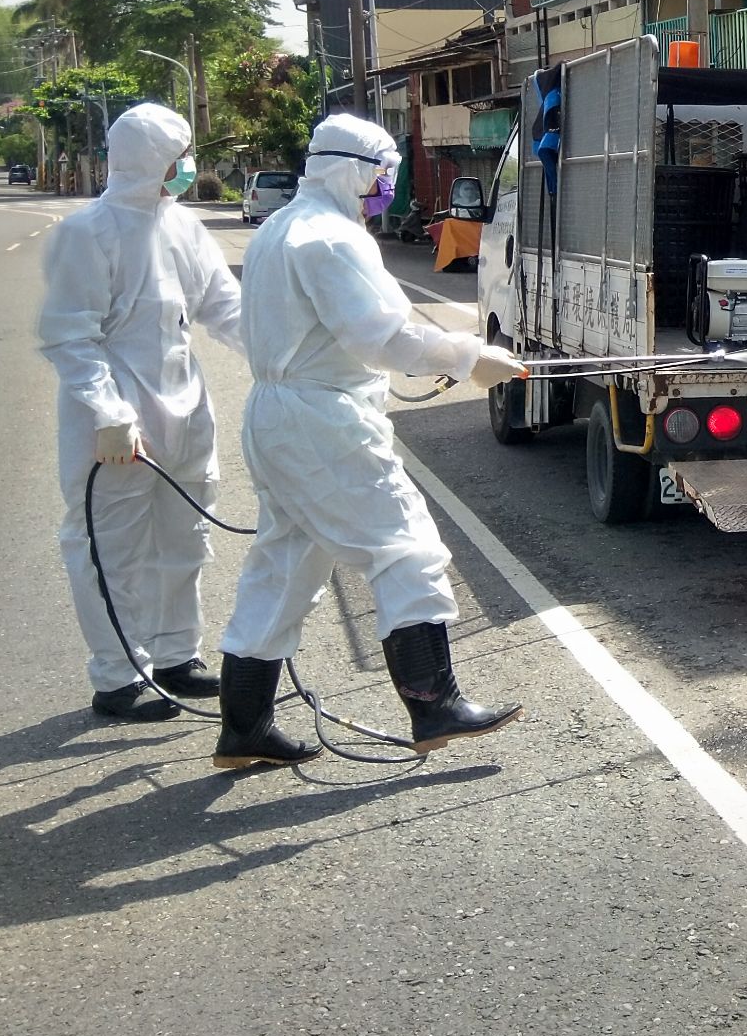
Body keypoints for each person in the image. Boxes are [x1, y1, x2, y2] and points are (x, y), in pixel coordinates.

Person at [213, 114, 528, 770]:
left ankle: (244, 725)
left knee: (285, 565)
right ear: (351, 169)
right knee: (405, 546)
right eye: (382, 174)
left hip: (277, 412)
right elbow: (381, 337)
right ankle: (433, 704)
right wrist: (472, 356)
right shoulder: (331, 239)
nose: (387, 187)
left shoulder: (278, 231)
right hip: (322, 419)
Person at [36, 102, 241, 722]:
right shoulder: (87, 232)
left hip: (184, 404)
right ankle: (119, 677)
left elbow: (221, 305)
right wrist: (107, 410)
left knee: (186, 537)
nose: (187, 167)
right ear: (155, 160)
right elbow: (70, 334)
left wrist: (286, 355)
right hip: (118, 419)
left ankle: (178, 656)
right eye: (180, 156)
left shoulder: (182, 225)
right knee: (113, 547)